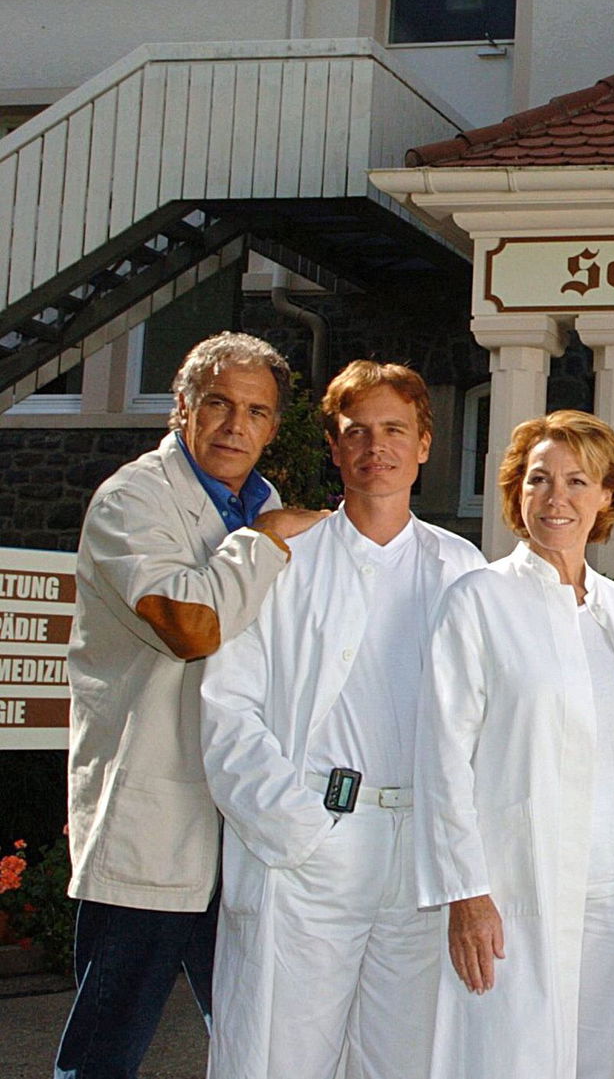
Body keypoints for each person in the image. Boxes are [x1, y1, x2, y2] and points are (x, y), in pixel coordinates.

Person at [200, 361, 484, 1079]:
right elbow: (227, 705)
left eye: (395, 430)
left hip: (419, 858)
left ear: (425, 444)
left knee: (407, 1060)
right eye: (356, 432)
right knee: (279, 1056)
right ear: (333, 446)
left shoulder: (464, 570)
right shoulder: (283, 557)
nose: (375, 447)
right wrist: (295, 827)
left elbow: (486, 726)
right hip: (310, 847)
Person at [57, 332, 325, 1079]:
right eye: (218, 404)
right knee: (105, 1053)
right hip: (155, 819)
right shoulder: (132, 501)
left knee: (252, 1041)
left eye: (256, 411)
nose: (236, 425)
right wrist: (265, 542)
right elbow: (189, 626)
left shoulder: (263, 503)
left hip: (240, 823)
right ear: (182, 408)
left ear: (273, 427)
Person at [415, 410, 614, 1079]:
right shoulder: (478, 601)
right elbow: (442, 759)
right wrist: (465, 892)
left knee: (601, 1063)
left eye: (579, 480)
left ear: (608, 495)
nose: (557, 497)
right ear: (516, 492)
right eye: (539, 478)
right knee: (507, 1061)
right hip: (515, 896)